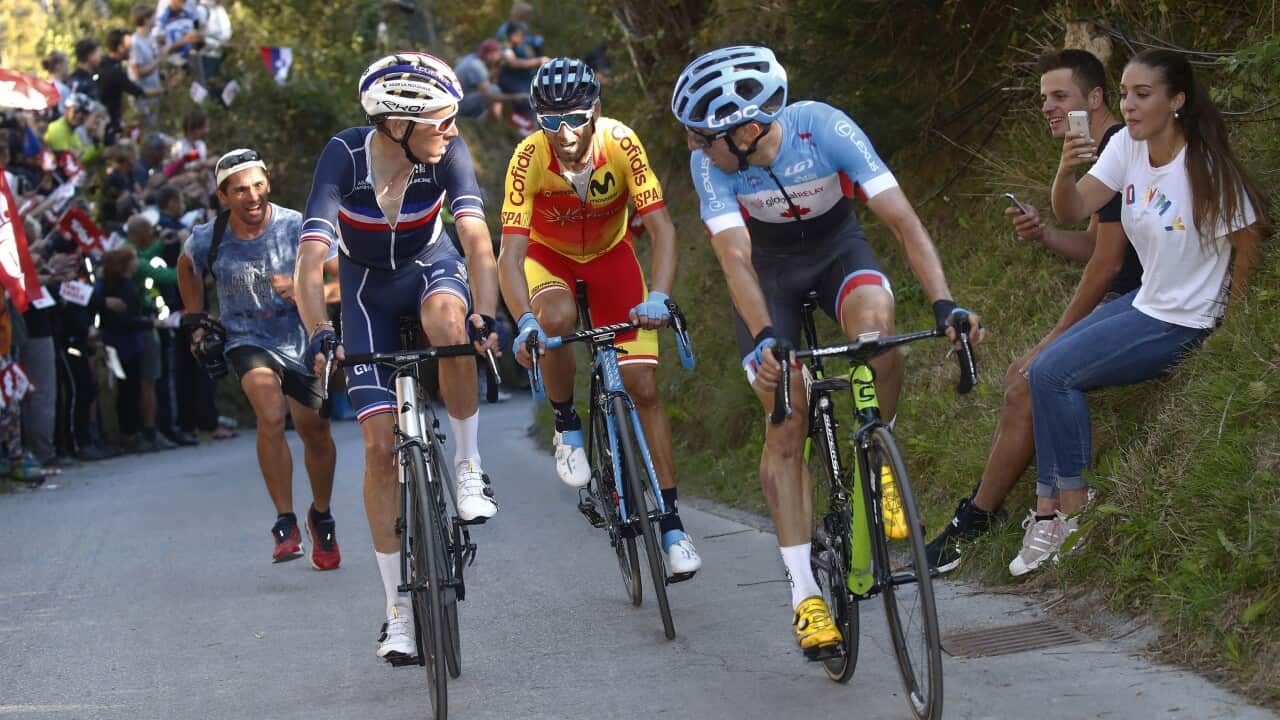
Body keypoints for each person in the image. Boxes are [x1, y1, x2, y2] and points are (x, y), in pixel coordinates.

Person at [670, 45, 984, 656]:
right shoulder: (710, 166)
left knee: (877, 329)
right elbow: (735, 258)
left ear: (747, 130)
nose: (693, 146)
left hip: (839, 249)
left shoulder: (825, 126)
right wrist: (766, 336)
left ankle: (880, 453)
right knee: (785, 414)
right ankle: (805, 596)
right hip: (770, 277)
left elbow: (903, 221)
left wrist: (944, 301)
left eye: (702, 136)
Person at [1021, 49, 1268, 575]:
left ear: (1176, 101)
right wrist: (1066, 171)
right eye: (1126, 94)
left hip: (1183, 318)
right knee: (1039, 371)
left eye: (1143, 95)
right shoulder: (1128, 150)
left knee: (1052, 373)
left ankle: (1072, 514)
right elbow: (1071, 209)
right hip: (1146, 300)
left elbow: (1250, 235)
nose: (1129, 106)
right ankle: (1049, 514)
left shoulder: (1203, 168)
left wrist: (1233, 320)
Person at [295, 52, 501, 662]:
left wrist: (484, 313)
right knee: (381, 450)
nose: (452, 130)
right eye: (440, 120)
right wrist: (316, 330)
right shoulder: (344, 157)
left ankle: (467, 464)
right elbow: (310, 263)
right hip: (364, 292)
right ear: (397, 125)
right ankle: (398, 614)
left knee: (449, 322)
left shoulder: (447, 154)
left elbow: (476, 243)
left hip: (428, 268)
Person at [925, 49, 1145, 573]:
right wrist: (1046, 234)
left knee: (1026, 376)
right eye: (1043, 98)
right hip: (1130, 292)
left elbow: (1107, 265)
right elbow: (1098, 245)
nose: (1047, 107)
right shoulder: (1103, 151)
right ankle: (984, 511)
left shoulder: (1116, 146)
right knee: (1021, 377)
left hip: (1135, 300)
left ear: (1093, 99)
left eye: (1060, 97)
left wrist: (1053, 337)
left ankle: (984, 516)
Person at [499, 58, 702, 578]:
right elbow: (509, 253)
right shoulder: (528, 159)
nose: (564, 134)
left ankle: (673, 526)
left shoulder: (621, 143)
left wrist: (658, 295)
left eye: (575, 118)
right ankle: (567, 426)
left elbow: (662, 228)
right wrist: (524, 319)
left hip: (612, 255)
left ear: (596, 112)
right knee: (558, 317)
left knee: (644, 387)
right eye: (550, 122)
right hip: (549, 257)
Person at [178, 149, 341, 569]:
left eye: (257, 186)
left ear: (267, 183)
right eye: (240, 190)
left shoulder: (297, 227)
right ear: (223, 196)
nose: (251, 197)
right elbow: (186, 265)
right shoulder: (208, 236)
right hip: (246, 338)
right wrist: (196, 320)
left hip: (302, 337)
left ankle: (320, 515)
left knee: (315, 431)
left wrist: (310, 292)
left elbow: (346, 277)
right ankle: (284, 521)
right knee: (269, 414)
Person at [99, 28, 164, 142]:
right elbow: (137, 92)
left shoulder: (107, 64)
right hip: (109, 120)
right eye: (128, 47)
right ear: (120, 48)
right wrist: (164, 90)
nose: (131, 50)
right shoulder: (114, 71)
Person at [455, 39, 523, 121]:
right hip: (458, 105)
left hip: (456, 100)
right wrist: (514, 98)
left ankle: (487, 122)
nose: (498, 57)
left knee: (491, 89)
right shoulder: (478, 67)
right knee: (495, 90)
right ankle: (479, 123)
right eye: (497, 54)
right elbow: (488, 95)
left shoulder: (471, 57)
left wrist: (496, 67)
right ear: (489, 55)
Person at [44, 93, 105, 164]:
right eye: (76, 110)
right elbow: (70, 163)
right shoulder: (56, 129)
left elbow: (81, 156)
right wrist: (98, 148)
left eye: (84, 113)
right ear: (67, 108)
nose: (80, 116)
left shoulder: (73, 132)